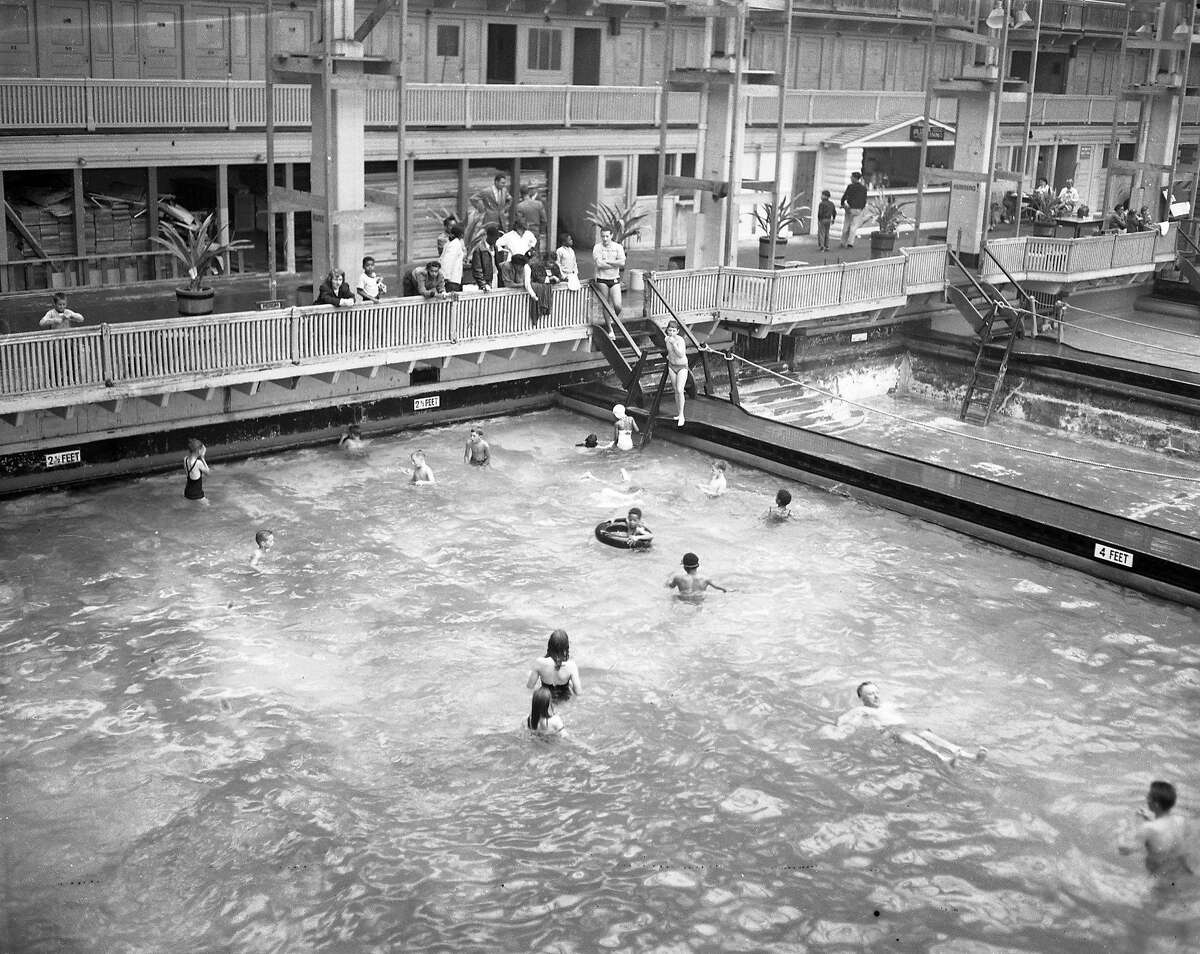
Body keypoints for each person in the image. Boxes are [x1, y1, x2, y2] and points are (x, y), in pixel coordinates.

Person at [836, 681, 987, 766]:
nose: (875, 696)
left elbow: (911, 708)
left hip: (907, 726)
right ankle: (944, 759)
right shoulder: (861, 709)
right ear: (862, 697)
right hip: (892, 731)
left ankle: (970, 757)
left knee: (930, 736)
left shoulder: (889, 705)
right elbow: (841, 720)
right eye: (870, 694)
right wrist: (850, 725)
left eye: (876, 692)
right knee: (917, 741)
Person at [1118, 781, 1194, 879]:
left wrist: (1122, 829)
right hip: (1182, 869)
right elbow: (1168, 837)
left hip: (1159, 877)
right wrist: (1150, 820)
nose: (1146, 799)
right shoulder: (1181, 820)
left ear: (1156, 804)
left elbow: (1125, 850)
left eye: (1149, 797)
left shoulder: (1148, 828)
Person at [525, 628, 583, 700]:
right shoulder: (571, 665)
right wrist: (570, 684)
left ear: (550, 645)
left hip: (545, 700)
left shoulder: (539, 662)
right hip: (564, 700)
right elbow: (578, 692)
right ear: (566, 647)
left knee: (529, 673)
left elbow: (530, 687)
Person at [592, 227, 626, 315]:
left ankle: (615, 319)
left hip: (614, 279)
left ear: (611, 235)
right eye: (603, 236)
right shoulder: (597, 247)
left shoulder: (618, 247)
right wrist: (615, 264)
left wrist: (609, 262)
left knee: (618, 305)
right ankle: (610, 328)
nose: (605, 239)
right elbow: (599, 264)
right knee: (606, 305)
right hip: (602, 279)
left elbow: (622, 263)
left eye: (607, 236)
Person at [664, 319, 690, 427]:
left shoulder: (680, 340)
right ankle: (678, 414)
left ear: (677, 331)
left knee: (680, 389)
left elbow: (680, 354)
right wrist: (669, 356)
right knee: (675, 390)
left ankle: (682, 415)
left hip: (682, 366)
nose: (671, 333)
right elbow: (669, 352)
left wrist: (674, 344)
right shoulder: (666, 339)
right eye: (670, 330)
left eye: (674, 331)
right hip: (672, 366)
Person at [521, 249, 555, 326]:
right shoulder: (527, 267)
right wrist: (534, 295)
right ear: (532, 259)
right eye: (535, 258)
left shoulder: (531, 266)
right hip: (528, 293)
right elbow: (527, 283)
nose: (537, 260)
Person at [471, 224, 505, 292]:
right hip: (486, 281)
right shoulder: (479, 249)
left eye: (497, 239)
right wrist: (483, 284)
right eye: (495, 238)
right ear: (489, 236)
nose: (496, 240)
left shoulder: (495, 247)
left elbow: (496, 264)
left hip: (495, 277)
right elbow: (477, 269)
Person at [840, 171, 868, 248]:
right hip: (858, 209)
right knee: (854, 226)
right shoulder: (863, 188)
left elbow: (845, 196)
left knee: (846, 225)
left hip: (850, 208)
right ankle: (850, 243)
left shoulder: (850, 187)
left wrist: (842, 204)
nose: (850, 178)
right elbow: (864, 199)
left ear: (855, 178)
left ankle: (843, 242)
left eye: (851, 177)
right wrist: (862, 207)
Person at [439, 223, 467, 292]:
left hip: (453, 279)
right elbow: (448, 261)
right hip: (451, 280)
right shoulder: (455, 244)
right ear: (461, 234)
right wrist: (446, 277)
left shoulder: (451, 243)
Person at [182, 438, 209, 502]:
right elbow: (208, 472)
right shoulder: (198, 463)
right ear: (199, 451)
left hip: (187, 493)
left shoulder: (185, 459)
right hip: (197, 495)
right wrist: (202, 458)